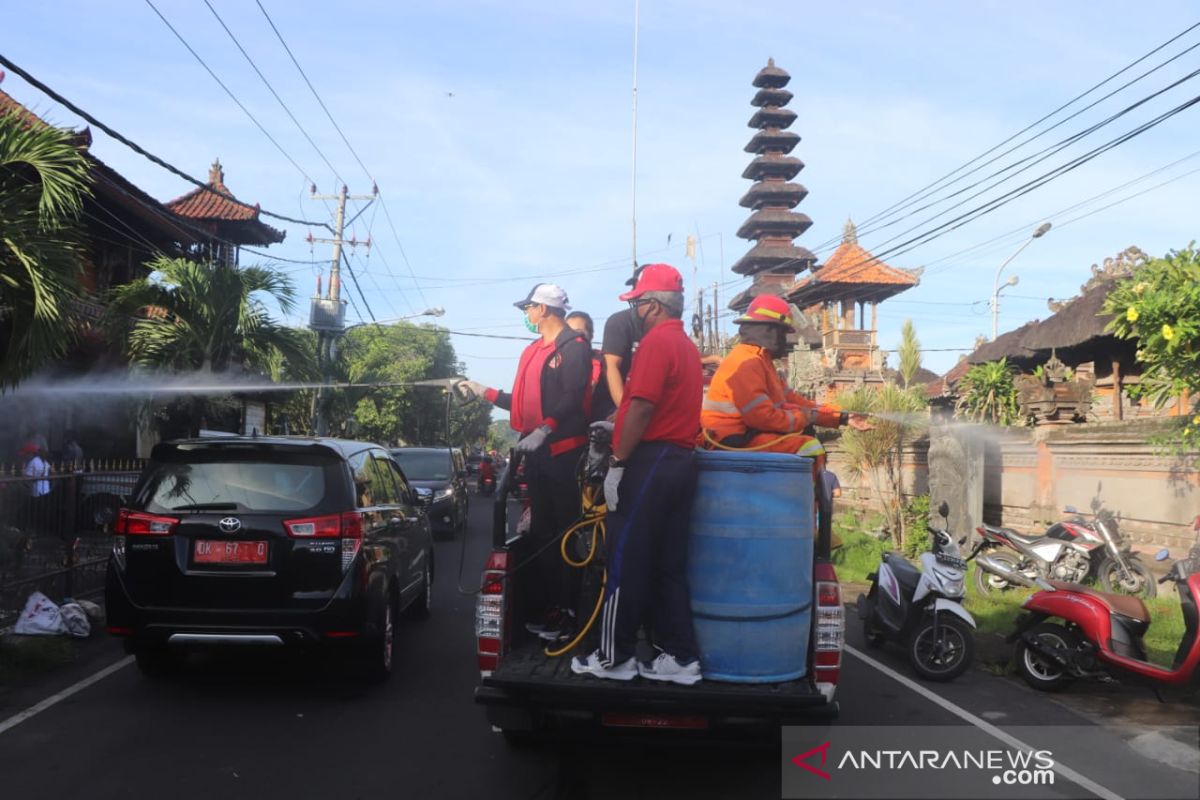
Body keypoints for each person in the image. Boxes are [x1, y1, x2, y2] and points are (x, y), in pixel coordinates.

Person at [572, 263, 705, 685]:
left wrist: (618, 462)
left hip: (651, 460)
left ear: (651, 306)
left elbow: (644, 406)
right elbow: (654, 407)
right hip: (681, 461)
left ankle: (615, 658)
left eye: (637, 303)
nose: (634, 312)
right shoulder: (686, 345)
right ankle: (680, 657)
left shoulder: (654, 344)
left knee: (625, 559)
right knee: (668, 565)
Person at [456, 283, 593, 640]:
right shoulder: (535, 351)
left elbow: (574, 396)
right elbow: (521, 403)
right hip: (537, 454)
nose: (526, 316)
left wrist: (546, 429)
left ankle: (570, 613)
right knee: (544, 534)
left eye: (529, 309)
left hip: (563, 455)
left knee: (565, 534)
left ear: (544, 309)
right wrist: (480, 390)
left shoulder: (573, 348)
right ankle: (553, 607)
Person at [594, 265, 647, 422]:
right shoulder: (620, 322)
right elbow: (612, 367)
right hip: (614, 404)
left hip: (647, 405)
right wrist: (626, 410)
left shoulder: (665, 328)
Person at [566, 311, 605, 422]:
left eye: (578, 333)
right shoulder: (554, 364)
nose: (573, 338)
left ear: (591, 335)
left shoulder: (604, 361)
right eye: (568, 333)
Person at [19, 441, 52, 537]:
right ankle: (40, 531)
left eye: (26, 454)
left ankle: (32, 532)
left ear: (31, 454)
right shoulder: (43, 460)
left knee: (33, 513)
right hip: (45, 490)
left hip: (36, 492)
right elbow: (50, 471)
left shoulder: (33, 462)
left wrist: (22, 475)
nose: (25, 456)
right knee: (41, 512)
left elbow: (28, 477)